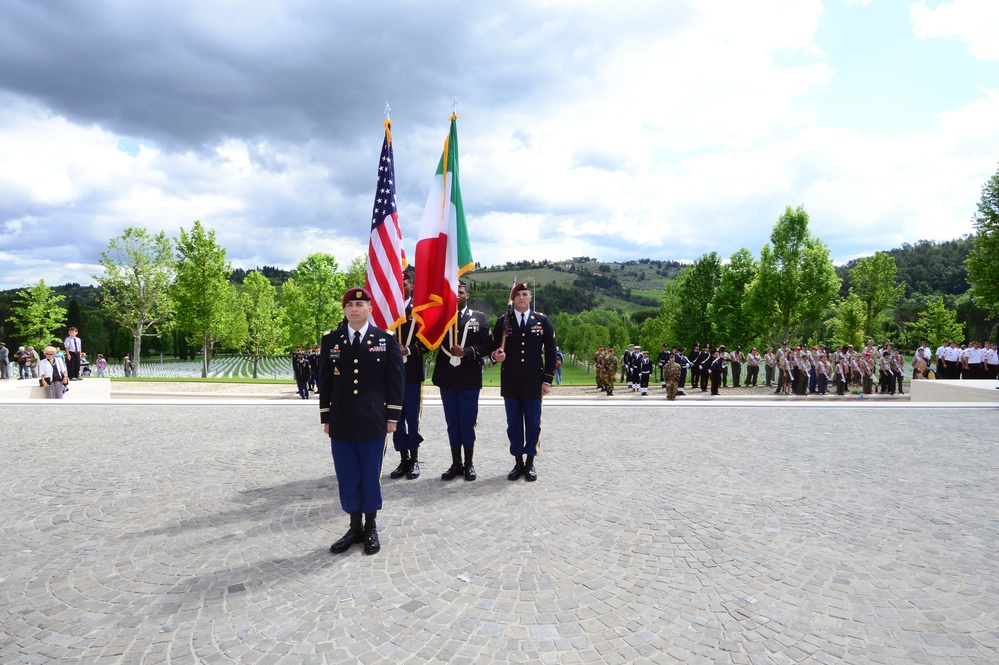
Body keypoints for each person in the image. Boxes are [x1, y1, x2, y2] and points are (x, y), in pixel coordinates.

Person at [319, 287, 404, 556]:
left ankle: (371, 527)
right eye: (350, 305)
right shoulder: (331, 340)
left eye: (360, 304)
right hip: (341, 420)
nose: (355, 309)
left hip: (373, 420)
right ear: (344, 310)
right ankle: (354, 527)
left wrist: (392, 417)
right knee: (347, 475)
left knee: (370, 475)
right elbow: (325, 381)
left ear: (370, 309)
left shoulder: (385, 339)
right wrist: (326, 417)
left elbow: (395, 380)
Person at [490, 282, 557, 482]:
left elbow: (551, 353)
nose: (521, 297)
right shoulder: (504, 322)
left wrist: (547, 381)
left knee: (534, 424)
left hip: (533, 382)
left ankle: (530, 463)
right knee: (513, 425)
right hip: (510, 381)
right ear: (513, 298)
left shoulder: (542, 321)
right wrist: (496, 355)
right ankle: (517, 462)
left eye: (525, 294)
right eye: (518, 294)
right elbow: (492, 350)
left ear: (530, 298)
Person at [432, 281, 493, 481]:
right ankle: (455, 463)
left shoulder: (479, 318)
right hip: (447, 378)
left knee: (467, 422)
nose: (457, 295)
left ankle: (469, 463)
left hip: (469, 378)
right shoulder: (440, 317)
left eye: (460, 292)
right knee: (452, 422)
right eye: (453, 293)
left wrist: (466, 352)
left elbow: (487, 346)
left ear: (467, 296)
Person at [390, 271, 427, 481]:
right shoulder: (388, 310)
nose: (401, 287)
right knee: (396, 418)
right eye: (398, 283)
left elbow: (430, 339)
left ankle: (414, 459)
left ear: (411, 286)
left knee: (412, 418)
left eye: (404, 284)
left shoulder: (418, 310)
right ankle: (402, 458)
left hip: (412, 372)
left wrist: (410, 349)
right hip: (392, 374)